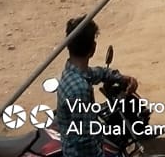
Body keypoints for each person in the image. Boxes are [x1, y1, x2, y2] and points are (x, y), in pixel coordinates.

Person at [56, 16, 137, 157]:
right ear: (93, 48)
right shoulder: (80, 89)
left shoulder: (71, 73)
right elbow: (84, 142)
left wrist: (120, 78)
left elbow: (95, 73)